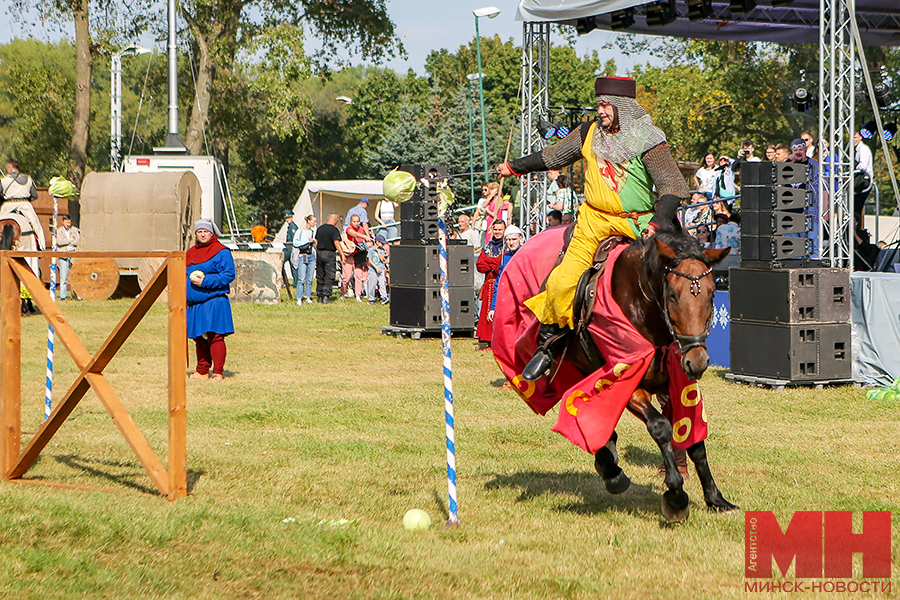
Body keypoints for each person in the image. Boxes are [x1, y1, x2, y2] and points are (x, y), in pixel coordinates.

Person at [497, 76, 690, 381]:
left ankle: (685, 344)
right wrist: (514, 167)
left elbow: (673, 187)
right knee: (561, 282)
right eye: (598, 104)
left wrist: (658, 221)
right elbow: (553, 156)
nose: (599, 110)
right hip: (594, 221)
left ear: (622, 106)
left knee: (684, 274)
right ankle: (548, 347)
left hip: (640, 221)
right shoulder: (588, 133)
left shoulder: (647, 137)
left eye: (605, 104)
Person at [186, 219, 235, 382]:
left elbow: (228, 274)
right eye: (199, 231)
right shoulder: (191, 252)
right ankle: (201, 371)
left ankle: (217, 372)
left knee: (215, 336)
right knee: (199, 338)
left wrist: (205, 281)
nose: (202, 234)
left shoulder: (221, 252)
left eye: (205, 231)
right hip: (195, 304)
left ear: (212, 233)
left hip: (214, 301)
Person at [1, 159, 44, 275]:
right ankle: (40, 245)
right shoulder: (28, 180)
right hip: (25, 205)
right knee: (36, 227)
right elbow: (35, 196)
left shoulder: (4, 181)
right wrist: (25, 198)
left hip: (7, 206)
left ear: (9, 169)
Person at [476, 220, 506, 347]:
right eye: (496, 229)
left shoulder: (507, 246)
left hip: (501, 283)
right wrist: (492, 263)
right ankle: (486, 340)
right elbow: (479, 265)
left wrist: (489, 262)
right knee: (487, 312)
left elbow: (501, 265)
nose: (498, 232)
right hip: (489, 283)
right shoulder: (488, 247)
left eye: (500, 229)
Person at [487, 225, 525, 320]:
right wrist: (493, 307)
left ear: (521, 238)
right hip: (508, 301)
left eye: (514, 239)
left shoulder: (526, 254)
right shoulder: (505, 257)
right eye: (508, 240)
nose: (511, 242)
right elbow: (499, 283)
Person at [315, 212, 345, 303]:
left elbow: (316, 242)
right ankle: (326, 296)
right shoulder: (334, 230)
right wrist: (342, 254)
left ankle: (319, 295)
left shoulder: (320, 228)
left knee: (320, 274)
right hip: (329, 253)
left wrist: (318, 251)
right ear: (336, 220)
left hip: (320, 253)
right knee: (329, 275)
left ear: (328, 218)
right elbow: (336, 243)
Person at [344, 213, 371, 302]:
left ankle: (358, 295)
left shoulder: (362, 229)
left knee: (358, 275)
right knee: (347, 276)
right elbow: (354, 234)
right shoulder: (349, 229)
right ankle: (343, 292)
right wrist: (365, 236)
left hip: (360, 254)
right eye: (354, 221)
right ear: (350, 221)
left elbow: (363, 240)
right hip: (350, 253)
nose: (356, 223)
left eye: (357, 221)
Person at [292, 214, 316, 305]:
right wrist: (307, 241)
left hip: (311, 256)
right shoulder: (300, 231)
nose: (315, 223)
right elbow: (295, 243)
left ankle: (308, 296)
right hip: (303, 255)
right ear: (309, 221)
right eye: (314, 221)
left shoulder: (313, 232)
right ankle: (299, 297)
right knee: (301, 278)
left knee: (310, 279)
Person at [55, 214, 80, 300]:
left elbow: (77, 241)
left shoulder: (75, 230)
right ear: (63, 222)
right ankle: (63, 296)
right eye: (66, 222)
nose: (68, 224)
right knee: (63, 277)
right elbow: (59, 242)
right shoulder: (59, 231)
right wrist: (69, 241)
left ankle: (79, 296)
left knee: (77, 276)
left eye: (69, 222)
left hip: (73, 255)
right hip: (64, 255)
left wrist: (71, 243)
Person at [367, 234, 390, 304]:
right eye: (381, 243)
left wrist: (378, 251)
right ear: (377, 242)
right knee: (372, 284)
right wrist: (376, 267)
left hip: (381, 269)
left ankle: (384, 297)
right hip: (373, 269)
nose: (383, 244)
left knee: (382, 283)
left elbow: (382, 259)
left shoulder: (382, 250)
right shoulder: (371, 250)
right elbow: (369, 260)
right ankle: (371, 299)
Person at [282, 210, 298, 289]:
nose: (287, 220)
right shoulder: (290, 226)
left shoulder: (293, 227)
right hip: (288, 248)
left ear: (292, 217)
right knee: (291, 266)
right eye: (286, 218)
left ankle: (294, 282)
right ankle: (288, 282)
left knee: (293, 266)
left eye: (288, 218)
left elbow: (294, 239)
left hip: (291, 248)